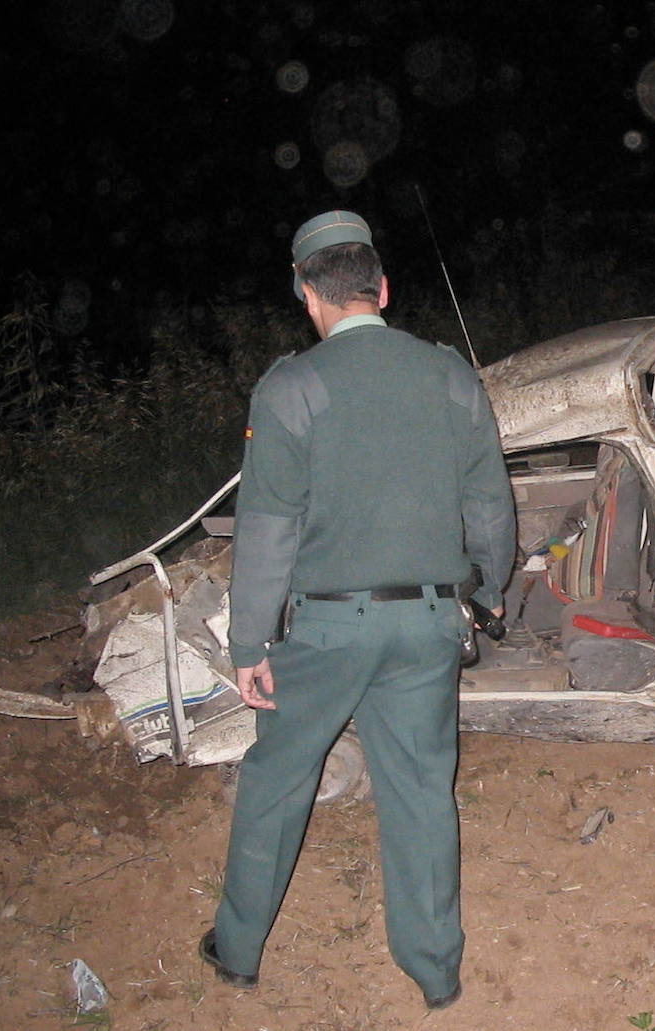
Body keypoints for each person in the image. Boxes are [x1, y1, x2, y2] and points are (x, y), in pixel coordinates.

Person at [199, 209, 516, 1010]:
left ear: (308, 295)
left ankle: (237, 951)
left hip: (329, 627)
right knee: (418, 792)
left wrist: (248, 643)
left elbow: (268, 528)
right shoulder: (449, 375)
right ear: (381, 288)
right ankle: (436, 971)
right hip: (431, 622)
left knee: (277, 778)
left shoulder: (291, 388)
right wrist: (488, 592)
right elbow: (490, 506)